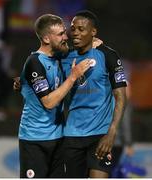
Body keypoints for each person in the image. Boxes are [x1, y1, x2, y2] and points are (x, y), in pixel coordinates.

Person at [17, 13, 91, 178]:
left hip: (58, 138)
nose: (66, 37)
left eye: (64, 32)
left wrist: (94, 44)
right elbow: (49, 102)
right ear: (46, 39)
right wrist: (73, 77)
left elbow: (81, 50)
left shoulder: (59, 56)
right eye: (60, 34)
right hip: (34, 140)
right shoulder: (34, 62)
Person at [61, 10, 127, 178]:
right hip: (72, 135)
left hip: (100, 135)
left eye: (81, 29)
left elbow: (121, 96)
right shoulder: (65, 56)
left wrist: (112, 132)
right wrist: (22, 81)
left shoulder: (108, 55)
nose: (75, 32)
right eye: (73, 28)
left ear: (93, 32)